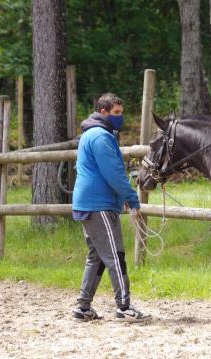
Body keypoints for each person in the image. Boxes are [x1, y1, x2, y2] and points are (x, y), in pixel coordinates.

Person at [72, 92, 151, 322]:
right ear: (103, 112)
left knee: (96, 257)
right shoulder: (101, 137)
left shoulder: (94, 134)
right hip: (99, 205)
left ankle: (83, 307)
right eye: (117, 113)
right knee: (116, 255)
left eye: (121, 112)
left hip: (90, 203)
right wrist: (132, 198)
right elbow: (114, 174)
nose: (120, 117)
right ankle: (124, 306)